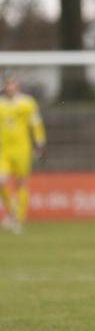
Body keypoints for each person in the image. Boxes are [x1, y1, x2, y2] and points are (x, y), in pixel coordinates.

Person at [0, 76, 45, 234]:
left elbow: (35, 123)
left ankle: (19, 219)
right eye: (8, 85)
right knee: (1, 181)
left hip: (22, 149)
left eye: (13, 85)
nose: (10, 88)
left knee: (20, 183)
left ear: (17, 87)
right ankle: (11, 212)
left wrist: (40, 142)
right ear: (5, 87)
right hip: (3, 150)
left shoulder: (27, 103)